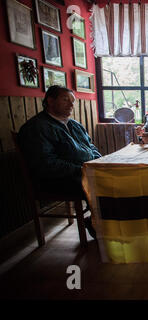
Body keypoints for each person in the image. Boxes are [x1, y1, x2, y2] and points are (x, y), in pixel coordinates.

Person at [18, 85, 101, 239]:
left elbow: (90, 147)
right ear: (50, 101)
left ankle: (106, 223)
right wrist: (82, 169)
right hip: (56, 179)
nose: (71, 105)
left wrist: (100, 162)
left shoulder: (74, 124)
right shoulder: (37, 127)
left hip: (82, 171)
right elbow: (47, 164)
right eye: (65, 100)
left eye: (73, 101)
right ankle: (100, 228)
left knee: (114, 176)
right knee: (100, 183)